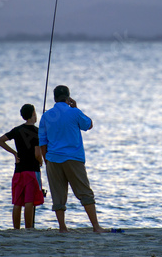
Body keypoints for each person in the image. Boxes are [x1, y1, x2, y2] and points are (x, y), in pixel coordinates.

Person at [39, 85, 106, 233]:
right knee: (85, 193)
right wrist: (77, 108)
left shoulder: (46, 116)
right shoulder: (74, 112)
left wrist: (47, 161)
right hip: (74, 159)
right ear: (68, 98)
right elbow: (89, 125)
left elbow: (42, 142)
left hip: (53, 160)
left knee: (58, 195)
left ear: (54, 98)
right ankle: (96, 226)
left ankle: (62, 228)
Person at [0, 104, 44, 229]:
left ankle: (16, 229)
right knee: (29, 201)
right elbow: (37, 153)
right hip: (32, 171)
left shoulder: (16, 130)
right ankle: (29, 228)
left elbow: (0, 140)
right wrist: (41, 161)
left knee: (17, 202)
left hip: (18, 171)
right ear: (33, 114)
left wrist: (14, 153)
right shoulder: (37, 132)